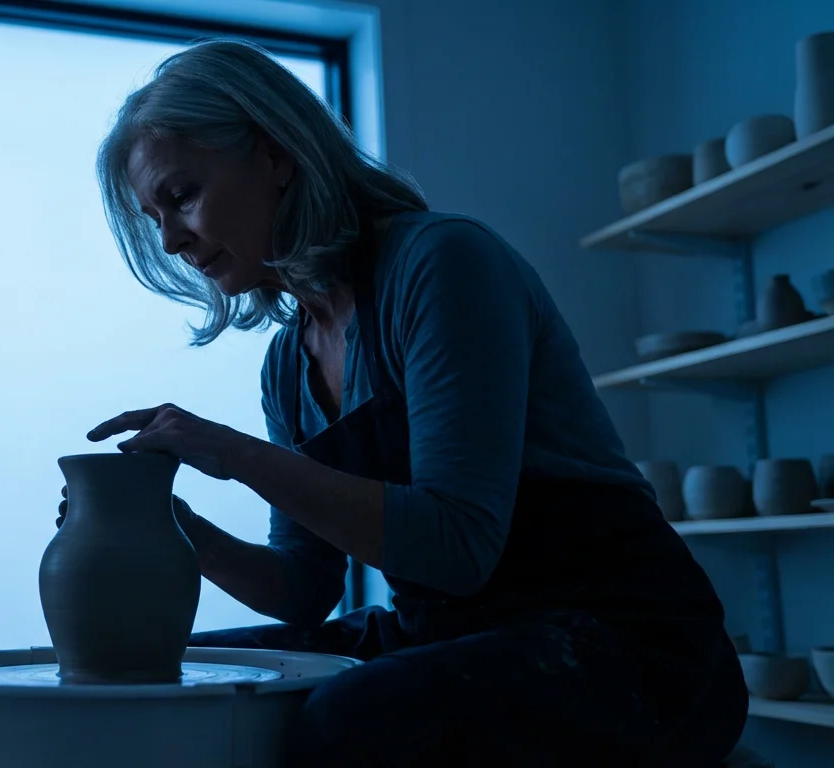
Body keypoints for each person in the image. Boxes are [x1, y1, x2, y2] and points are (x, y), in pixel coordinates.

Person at [53, 38, 749, 766]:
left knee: (357, 715)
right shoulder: (290, 363)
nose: (170, 240)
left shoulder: (442, 264)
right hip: (450, 633)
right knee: (183, 674)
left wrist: (233, 454)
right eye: (153, 216)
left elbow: (458, 548)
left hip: (621, 637)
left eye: (181, 196)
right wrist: (176, 528)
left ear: (275, 155)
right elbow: (301, 589)